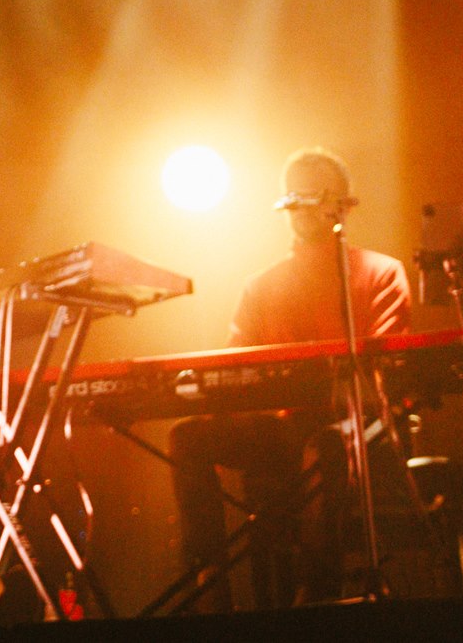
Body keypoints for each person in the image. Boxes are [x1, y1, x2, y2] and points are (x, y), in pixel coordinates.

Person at [168, 148, 411, 609]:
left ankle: (316, 593)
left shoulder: (381, 272)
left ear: (342, 204)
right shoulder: (261, 286)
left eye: (313, 193)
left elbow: (386, 371)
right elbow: (234, 372)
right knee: (188, 438)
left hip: (364, 430)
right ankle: (210, 588)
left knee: (325, 443)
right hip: (285, 431)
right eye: (293, 194)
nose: (300, 204)